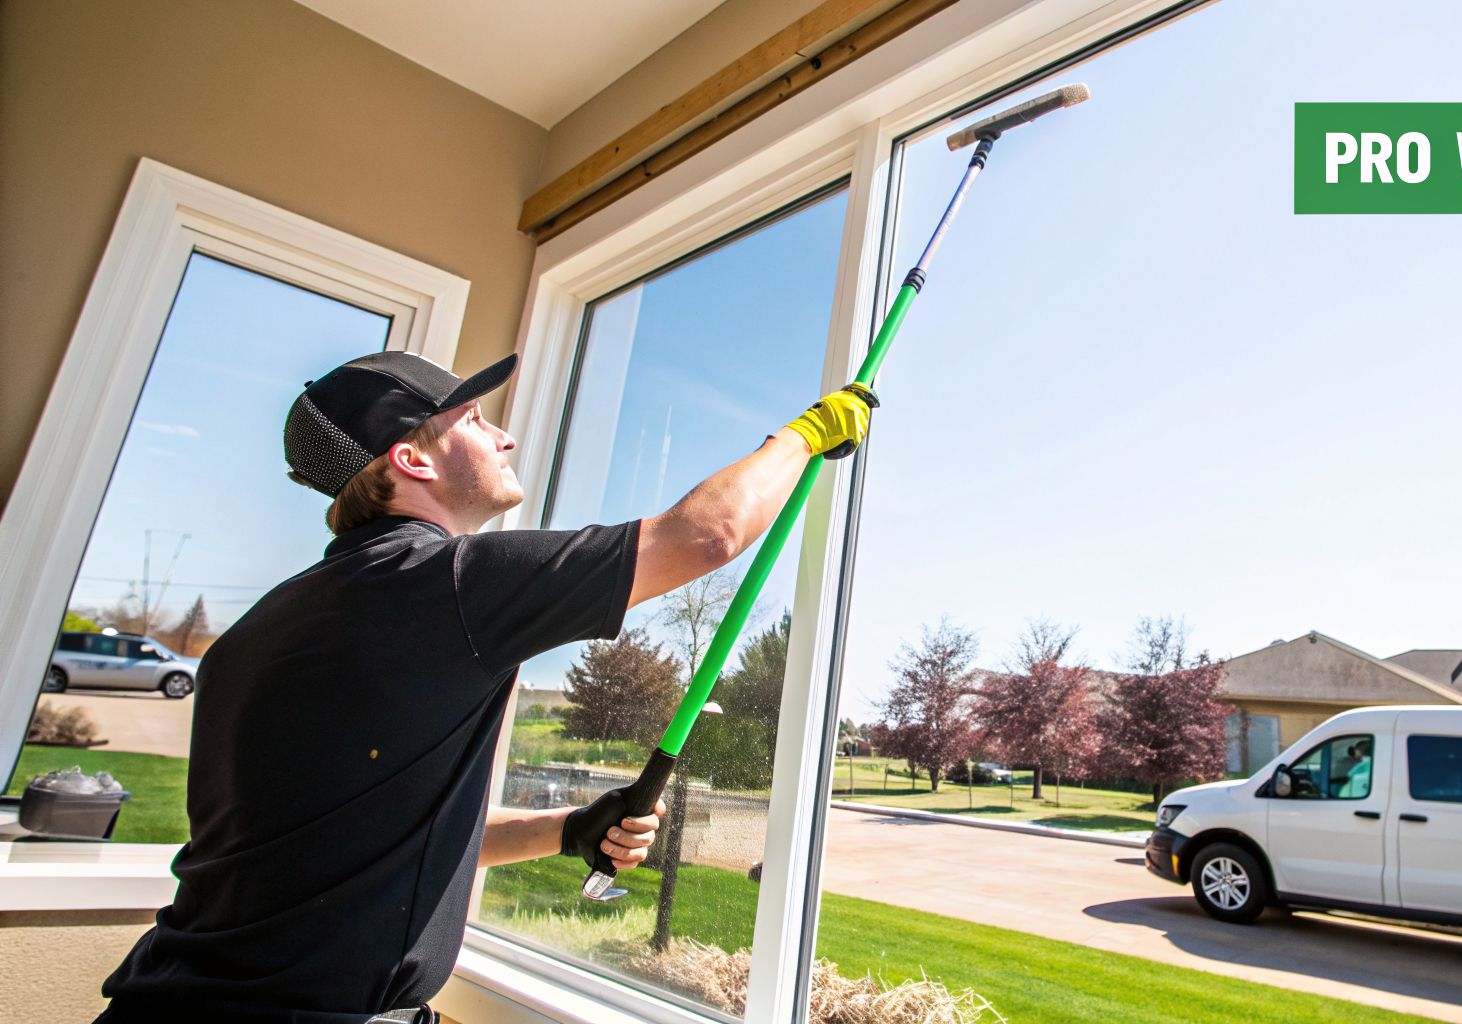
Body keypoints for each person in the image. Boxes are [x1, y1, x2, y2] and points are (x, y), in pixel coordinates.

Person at [95, 351, 877, 1023]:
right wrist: (802, 437)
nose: (503, 434)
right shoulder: (440, 583)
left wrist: (568, 829)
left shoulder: (258, 631)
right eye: (472, 419)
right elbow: (704, 536)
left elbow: (364, 845)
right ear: (412, 459)